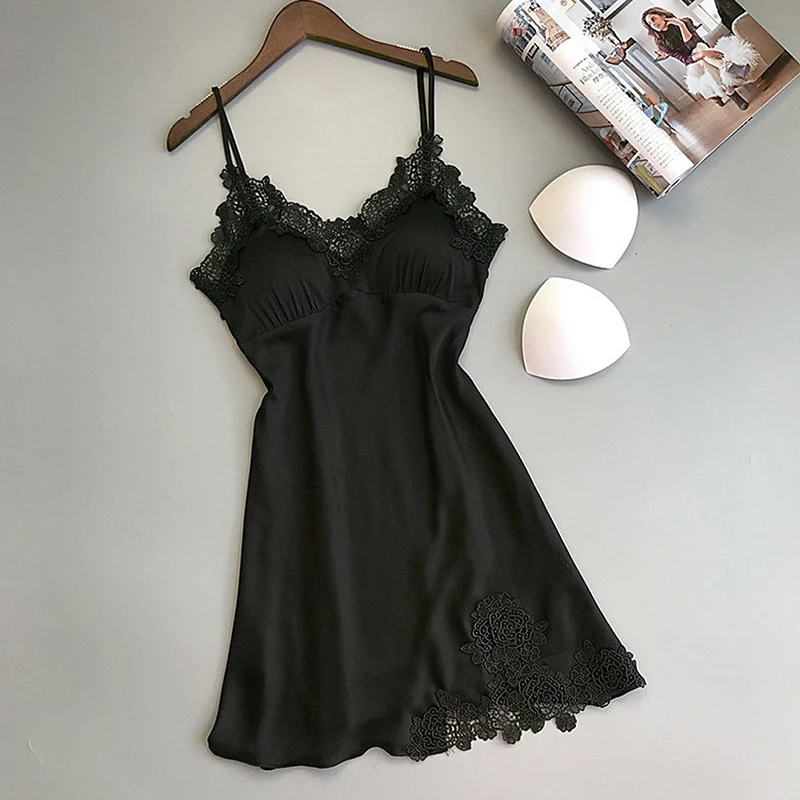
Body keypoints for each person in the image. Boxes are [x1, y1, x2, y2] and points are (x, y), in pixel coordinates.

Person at [641, 7, 759, 110]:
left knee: (700, 49)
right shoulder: (661, 44)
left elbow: (694, 43)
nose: (653, 24)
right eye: (650, 24)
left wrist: (680, 25)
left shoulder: (686, 22)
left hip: (705, 56)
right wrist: (702, 53)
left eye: (653, 19)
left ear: (662, 16)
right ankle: (731, 67)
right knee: (700, 50)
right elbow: (685, 59)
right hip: (693, 66)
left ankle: (731, 93)